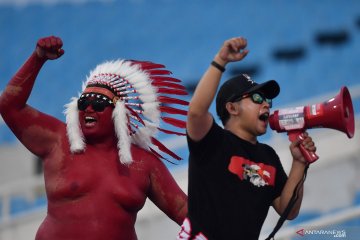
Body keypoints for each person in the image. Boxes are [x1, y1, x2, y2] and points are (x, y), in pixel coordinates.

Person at [0, 36, 188, 240]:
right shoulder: (58, 140)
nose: (89, 108)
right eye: (83, 103)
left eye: (99, 103)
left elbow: (183, 211)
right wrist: (38, 59)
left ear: (119, 114)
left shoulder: (144, 163)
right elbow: (9, 106)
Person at [177, 37, 317, 240]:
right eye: (257, 98)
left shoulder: (268, 156)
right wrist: (220, 61)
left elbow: (289, 209)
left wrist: (299, 163)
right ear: (232, 108)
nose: (267, 105)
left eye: (268, 100)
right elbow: (196, 113)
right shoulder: (212, 141)